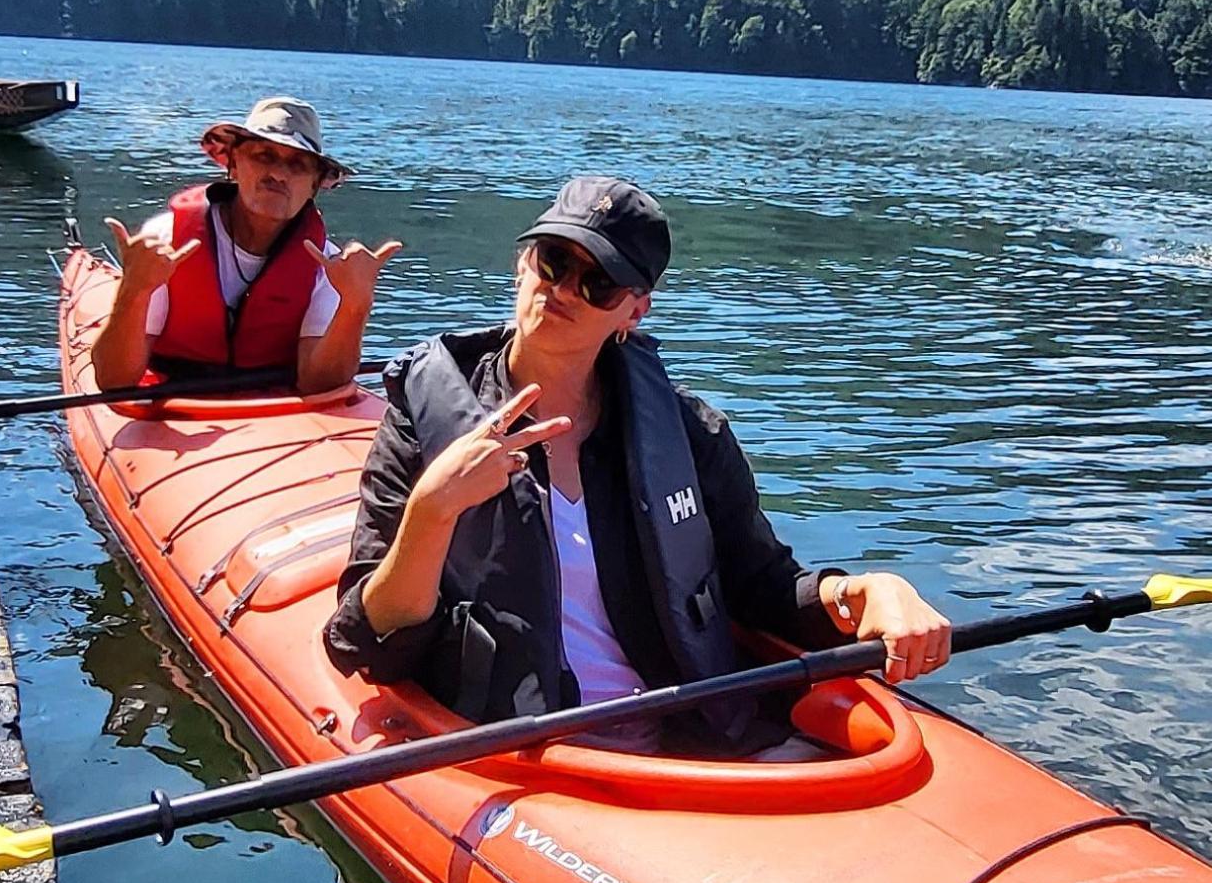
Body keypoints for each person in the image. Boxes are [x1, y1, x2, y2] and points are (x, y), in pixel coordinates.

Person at [324, 175, 950, 756]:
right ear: (522, 263)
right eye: (554, 261)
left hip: (688, 732)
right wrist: (433, 511)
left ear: (635, 310)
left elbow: (762, 589)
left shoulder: (690, 434)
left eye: (599, 283)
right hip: (528, 757)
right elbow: (367, 641)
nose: (565, 290)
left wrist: (863, 591)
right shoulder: (424, 416)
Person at [92, 96, 399, 395]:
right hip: (171, 397)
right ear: (234, 165)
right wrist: (134, 291)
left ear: (314, 185)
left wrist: (356, 303)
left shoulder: (329, 266)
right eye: (264, 156)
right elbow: (115, 380)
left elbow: (319, 384)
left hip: (275, 412)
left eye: (297, 165)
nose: (278, 174)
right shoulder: (166, 241)